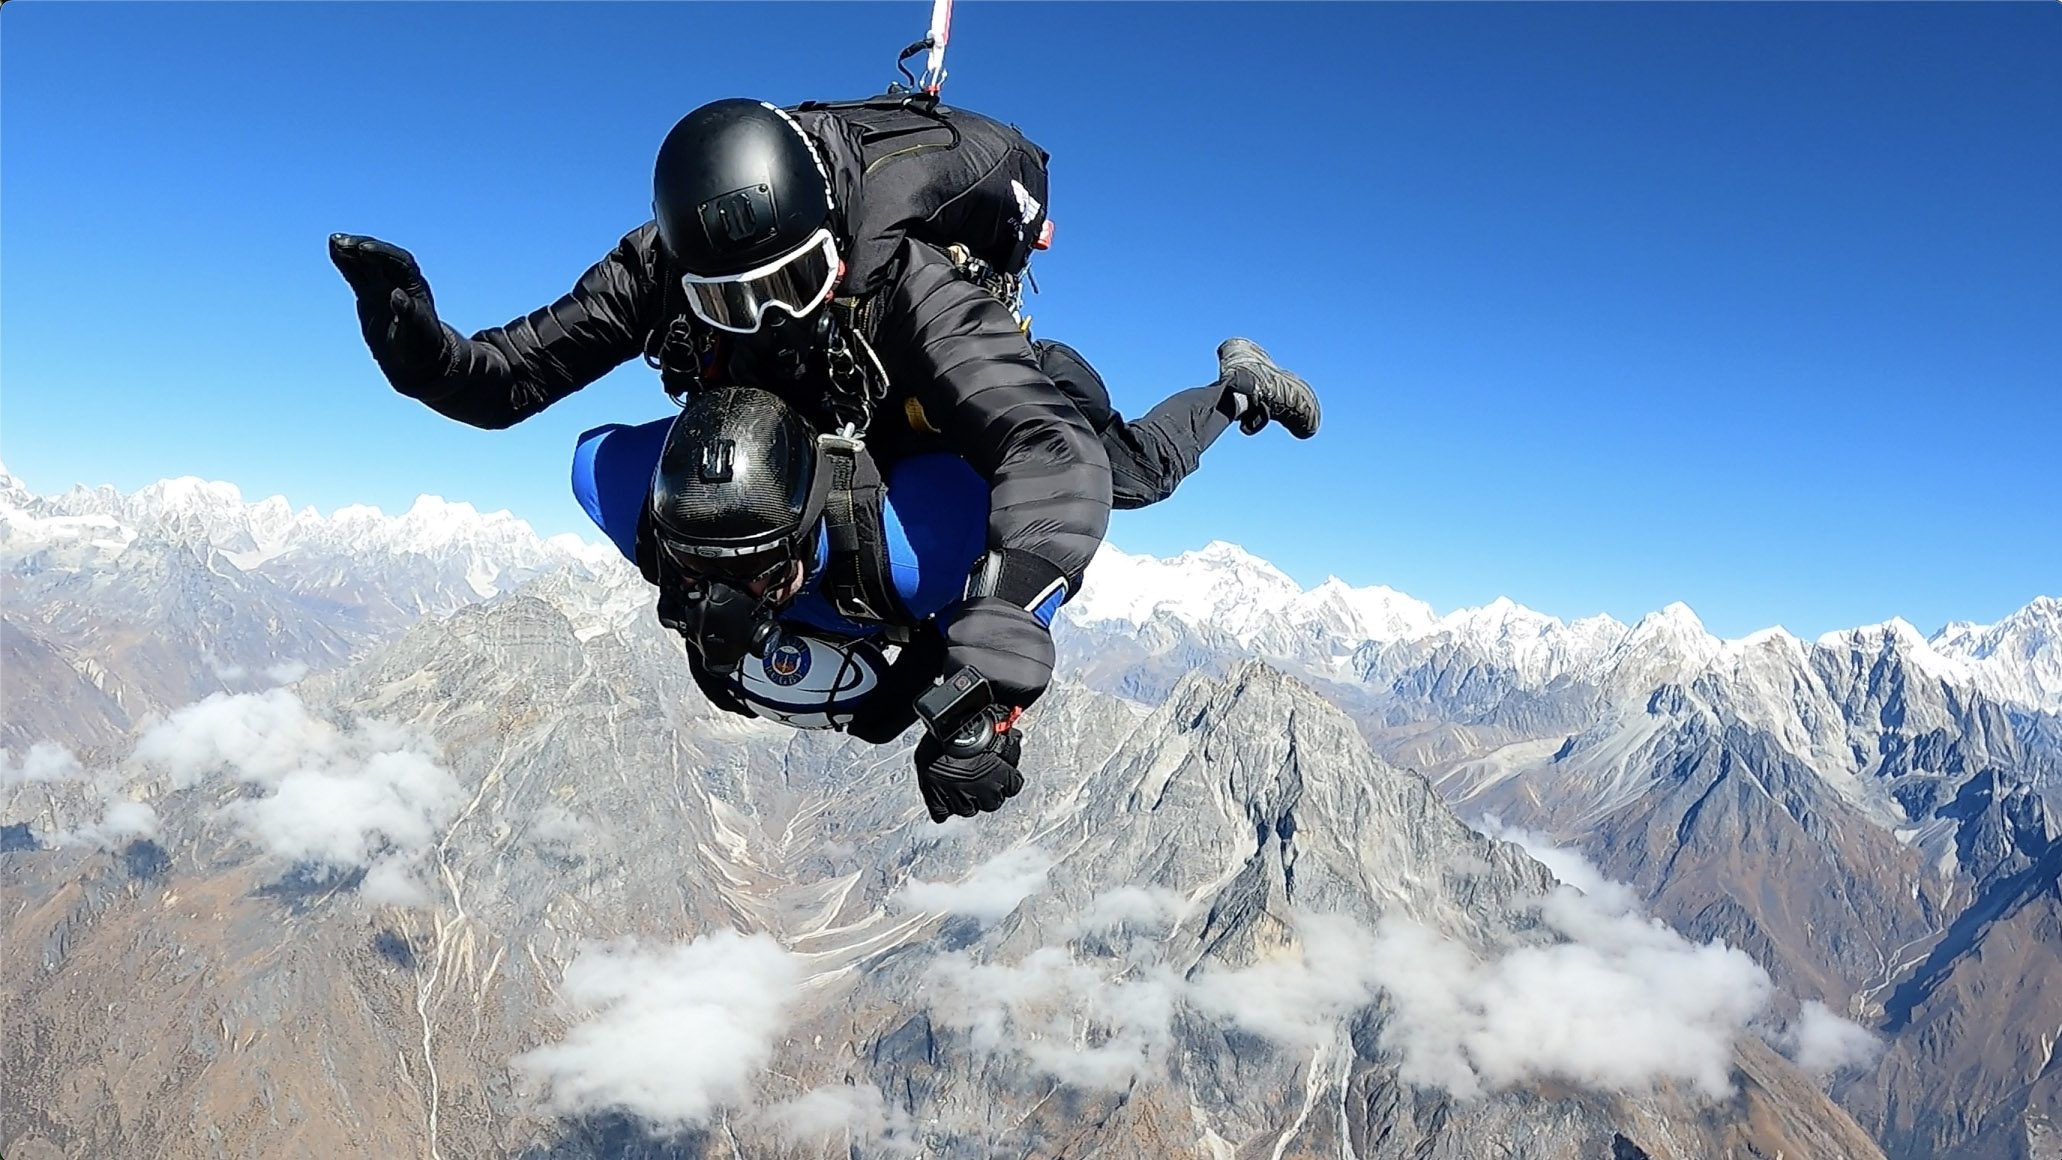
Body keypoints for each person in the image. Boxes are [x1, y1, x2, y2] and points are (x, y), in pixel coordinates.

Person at [332, 94, 1321, 818]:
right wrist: (422, 354)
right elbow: (510, 377)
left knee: (1129, 472)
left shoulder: (912, 277)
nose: (772, 318)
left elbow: (1050, 451)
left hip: (929, 400)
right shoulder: (661, 264)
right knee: (690, 483)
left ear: (833, 245)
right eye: (734, 303)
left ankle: (1234, 385)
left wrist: (1003, 626)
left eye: (798, 280)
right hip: (805, 441)